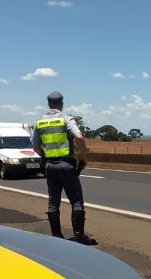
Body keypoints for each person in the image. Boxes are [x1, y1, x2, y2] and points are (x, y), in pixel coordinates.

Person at [31, 91, 98, 245]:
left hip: (49, 166)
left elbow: (35, 145)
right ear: (61, 104)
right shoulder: (66, 119)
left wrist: (46, 157)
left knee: (53, 202)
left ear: (48, 104)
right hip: (66, 165)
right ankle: (79, 236)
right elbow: (79, 137)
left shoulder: (39, 122)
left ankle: (56, 236)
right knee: (76, 201)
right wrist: (82, 157)